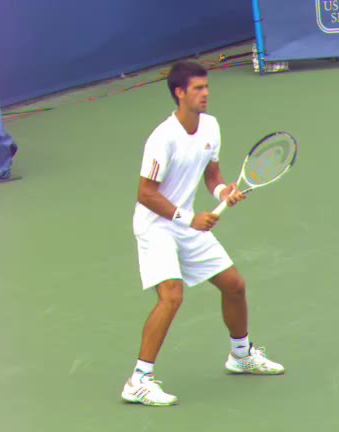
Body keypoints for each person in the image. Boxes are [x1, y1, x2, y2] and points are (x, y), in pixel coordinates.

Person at [121, 61, 285, 407]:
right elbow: (145, 194)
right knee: (171, 296)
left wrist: (224, 192)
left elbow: (212, 176)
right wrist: (188, 218)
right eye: (198, 88)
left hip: (186, 223)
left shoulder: (210, 126)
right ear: (179, 93)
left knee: (234, 286)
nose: (206, 93)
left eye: (206, 87)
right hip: (156, 225)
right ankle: (139, 380)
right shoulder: (162, 138)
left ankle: (240, 355)